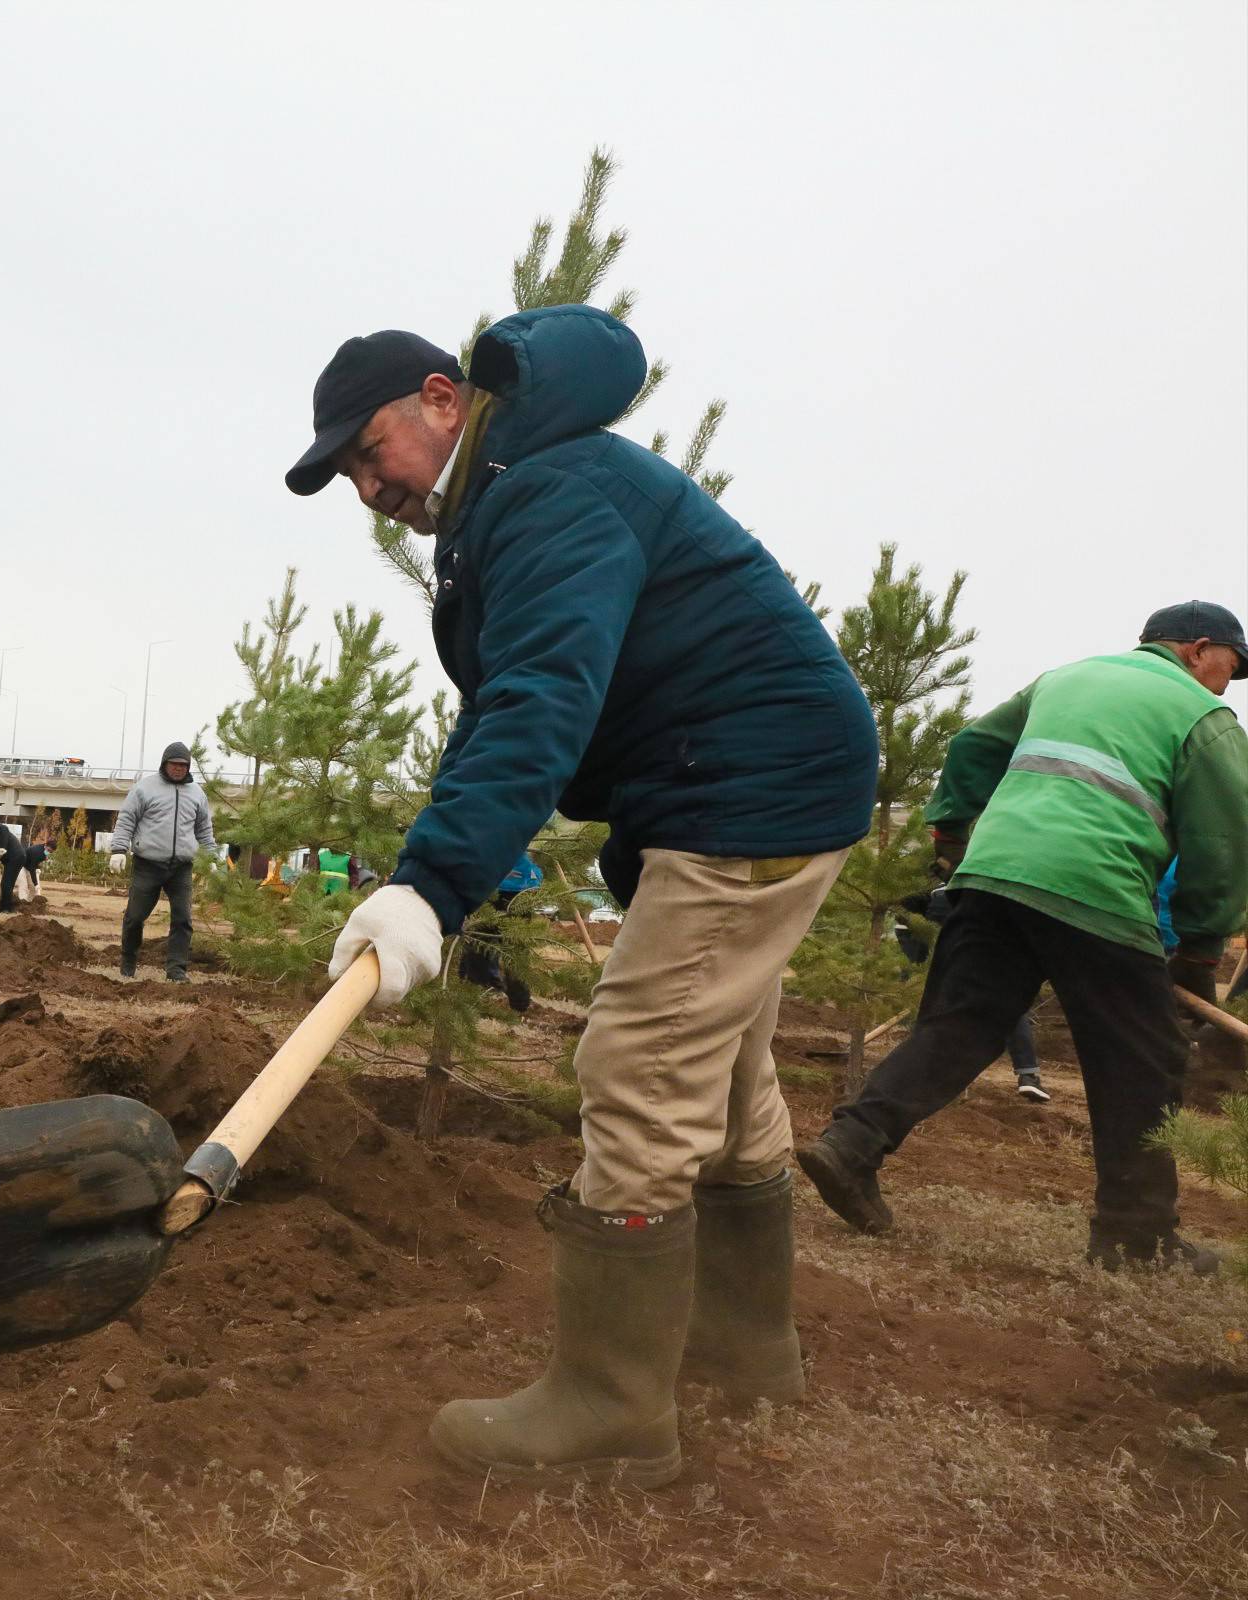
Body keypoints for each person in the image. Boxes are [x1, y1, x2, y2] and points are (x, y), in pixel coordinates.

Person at [286, 308, 878, 1485]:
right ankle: (746, 1346)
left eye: (369, 451)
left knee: (639, 1061)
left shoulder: (550, 493)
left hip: (745, 793)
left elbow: (542, 701)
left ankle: (611, 1407)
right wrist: (419, 881)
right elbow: (495, 710)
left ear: (442, 400)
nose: (369, 488)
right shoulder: (519, 494)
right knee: (721, 1064)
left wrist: (434, 886)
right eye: (348, 473)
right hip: (747, 784)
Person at [799, 603, 1248, 1274]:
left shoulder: (1065, 679)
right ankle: (1136, 1239)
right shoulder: (1204, 718)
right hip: (1097, 886)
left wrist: (953, 837)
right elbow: (1224, 842)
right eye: (1231, 667)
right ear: (1197, 648)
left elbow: (971, 747)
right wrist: (1201, 951)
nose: (1227, 683)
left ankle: (852, 1144)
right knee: (1144, 1061)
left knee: (960, 1026)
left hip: (994, 876)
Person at [897, 886, 1048, 1102]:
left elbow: (905, 901)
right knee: (1007, 998)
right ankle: (1028, 1075)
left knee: (929, 994)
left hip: (932, 918)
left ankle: (921, 1069)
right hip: (960, 913)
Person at [108, 741, 216, 981]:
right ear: (164, 764)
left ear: (188, 767)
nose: (178, 768)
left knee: (183, 919)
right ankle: (128, 963)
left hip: (181, 868)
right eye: (174, 764)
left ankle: (176, 971)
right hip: (148, 865)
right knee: (135, 917)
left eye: (183, 765)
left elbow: (204, 829)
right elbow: (127, 819)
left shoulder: (197, 794)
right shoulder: (144, 789)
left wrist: (210, 857)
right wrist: (119, 849)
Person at [457, 850, 544, 1015]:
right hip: (514, 890)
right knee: (511, 949)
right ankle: (513, 1001)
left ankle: (487, 995)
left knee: (481, 944)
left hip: (497, 889)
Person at [0, 837, 49, 913]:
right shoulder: (36, 851)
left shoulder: (44, 851)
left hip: (29, 867)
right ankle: (22, 906)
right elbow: (32, 869)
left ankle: (29, 904)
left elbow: (35, 863)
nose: (49, 852)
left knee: (33, 888)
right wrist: (36, 883)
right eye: (49, 850)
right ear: (46, 845)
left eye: (51, 851)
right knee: (23, 885)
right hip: (21, 866)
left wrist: (37, 868)